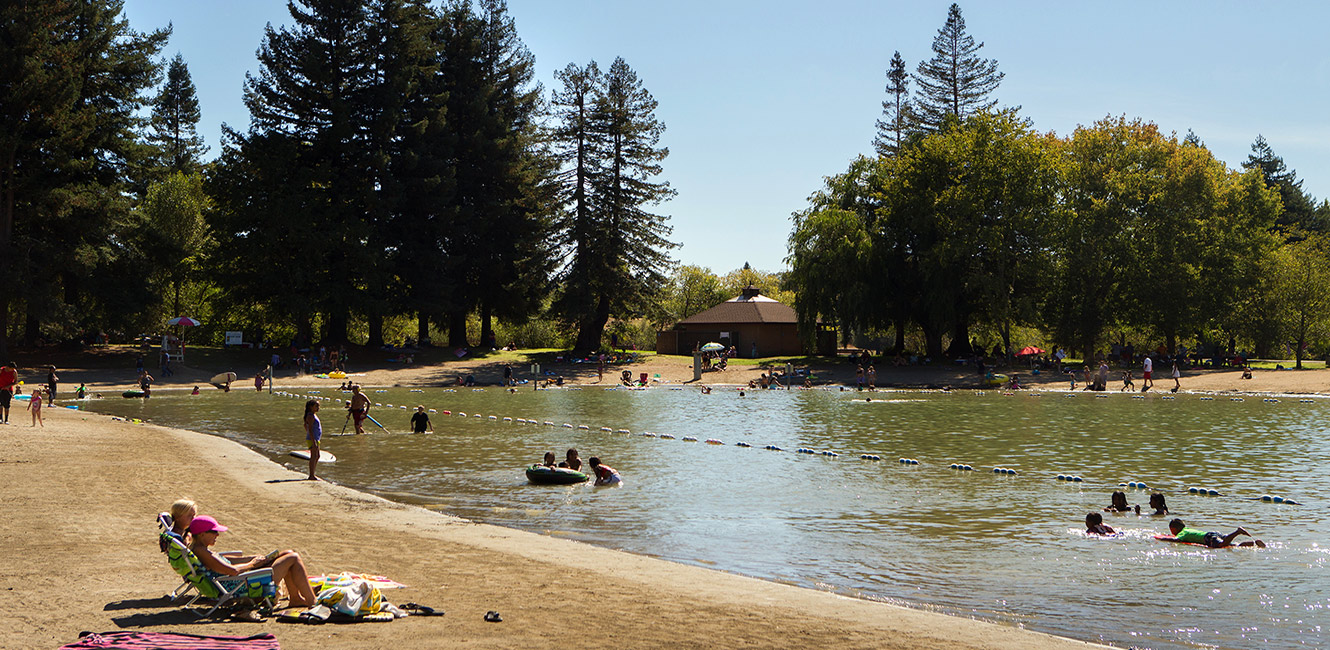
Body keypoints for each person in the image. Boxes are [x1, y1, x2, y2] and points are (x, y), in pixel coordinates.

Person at [188, 515, 317, 608]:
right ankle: (312, 602)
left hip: (238, 582)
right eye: (214, 532)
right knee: (292, 558)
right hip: (243, 587)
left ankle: (295, 598)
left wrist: (255, 559)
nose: (217, 535)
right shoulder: (202, 552)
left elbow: (228, 561)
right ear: (202, 534)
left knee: (287, 553)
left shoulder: (200, 549)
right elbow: (232, 570)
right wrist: (252, 564)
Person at [1159, 518, 1265, 548]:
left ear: (1174, 529)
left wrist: (1163, 539)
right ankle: (1255, 543)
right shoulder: (1187, 529)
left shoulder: (1182, 533)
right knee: (1233, 545)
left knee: (1221, 545)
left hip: (1208, 538)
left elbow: (1176, 539)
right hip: (1212, 534)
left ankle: (1237, 532)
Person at [303, 399, 321, 480]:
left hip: (316, 438)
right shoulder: (310, 416)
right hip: (312, 439)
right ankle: (311, 475)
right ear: (311, 407)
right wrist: (313, 441)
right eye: (316, 406)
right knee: (313, 456)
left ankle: (313, 473)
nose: (318, 407)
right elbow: (309, 429)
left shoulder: (313, 415)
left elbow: (305, 425)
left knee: (317, 456)